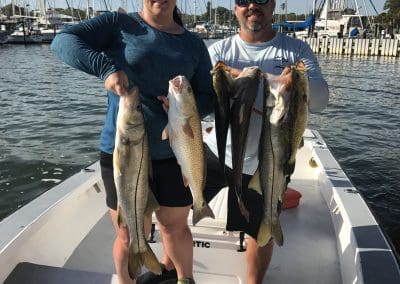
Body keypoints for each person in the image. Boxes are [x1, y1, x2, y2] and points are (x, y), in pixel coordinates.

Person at [155, 0, 330, 283]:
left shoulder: (296, 51)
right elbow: (197, 96)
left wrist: (288, 82)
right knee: (174, 215)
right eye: (242, 0)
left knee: (258, 232)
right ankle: (168, 267)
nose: (251, 6)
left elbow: (321, 100)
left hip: (266, 159)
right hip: (211, 151)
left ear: (272, 4)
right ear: (235, 8)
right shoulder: (219, 51)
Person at [51, 1, 215, 284]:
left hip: (174, 154)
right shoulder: (118, 24)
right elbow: (63, 41)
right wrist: (105, 69)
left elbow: (208, 97)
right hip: (122, 152)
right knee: (128, 232)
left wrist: (185, 108)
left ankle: (184, 280)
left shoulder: (193, 45)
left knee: (174, 228)